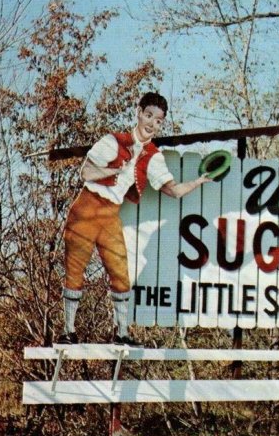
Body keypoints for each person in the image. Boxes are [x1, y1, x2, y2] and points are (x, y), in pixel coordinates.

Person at [57, 92, 211, 346]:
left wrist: (199, 181)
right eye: (148, 116)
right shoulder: (113, 141)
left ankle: (122, 333)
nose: (152, 124)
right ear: (138, 112)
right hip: (86, 208)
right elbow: (85, 171)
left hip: (110, 214)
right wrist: (114, 170)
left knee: (120, 274)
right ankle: (68, 331)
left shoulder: (153, 156)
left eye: (159, 121)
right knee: (75, 270)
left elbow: (172, 190)